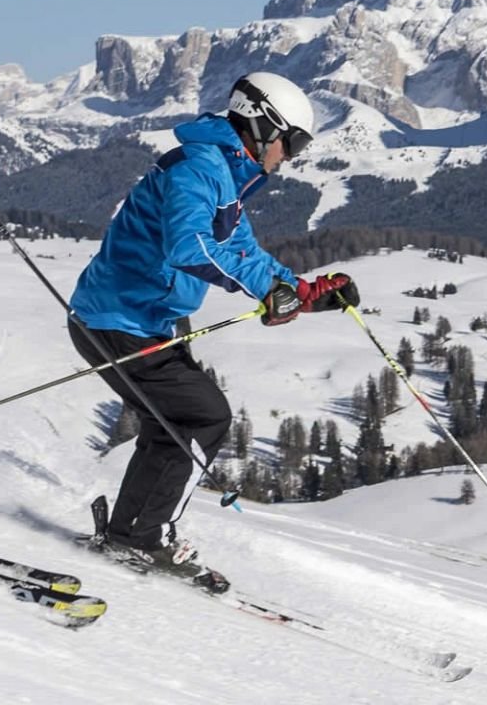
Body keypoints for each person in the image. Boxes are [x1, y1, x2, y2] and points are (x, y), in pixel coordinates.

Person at [68, 71, 357, 590]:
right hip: (117, 322)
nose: (291, 156)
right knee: (204, 415)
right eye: (292, 142)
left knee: (177, 422)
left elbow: (244, 252)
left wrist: (307, 293)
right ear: (263, 127)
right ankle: (141, 538)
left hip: (142, 321)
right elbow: (189, 246)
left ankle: (130, 533)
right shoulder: (199, 170)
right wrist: (267, 292)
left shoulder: (226, 173)